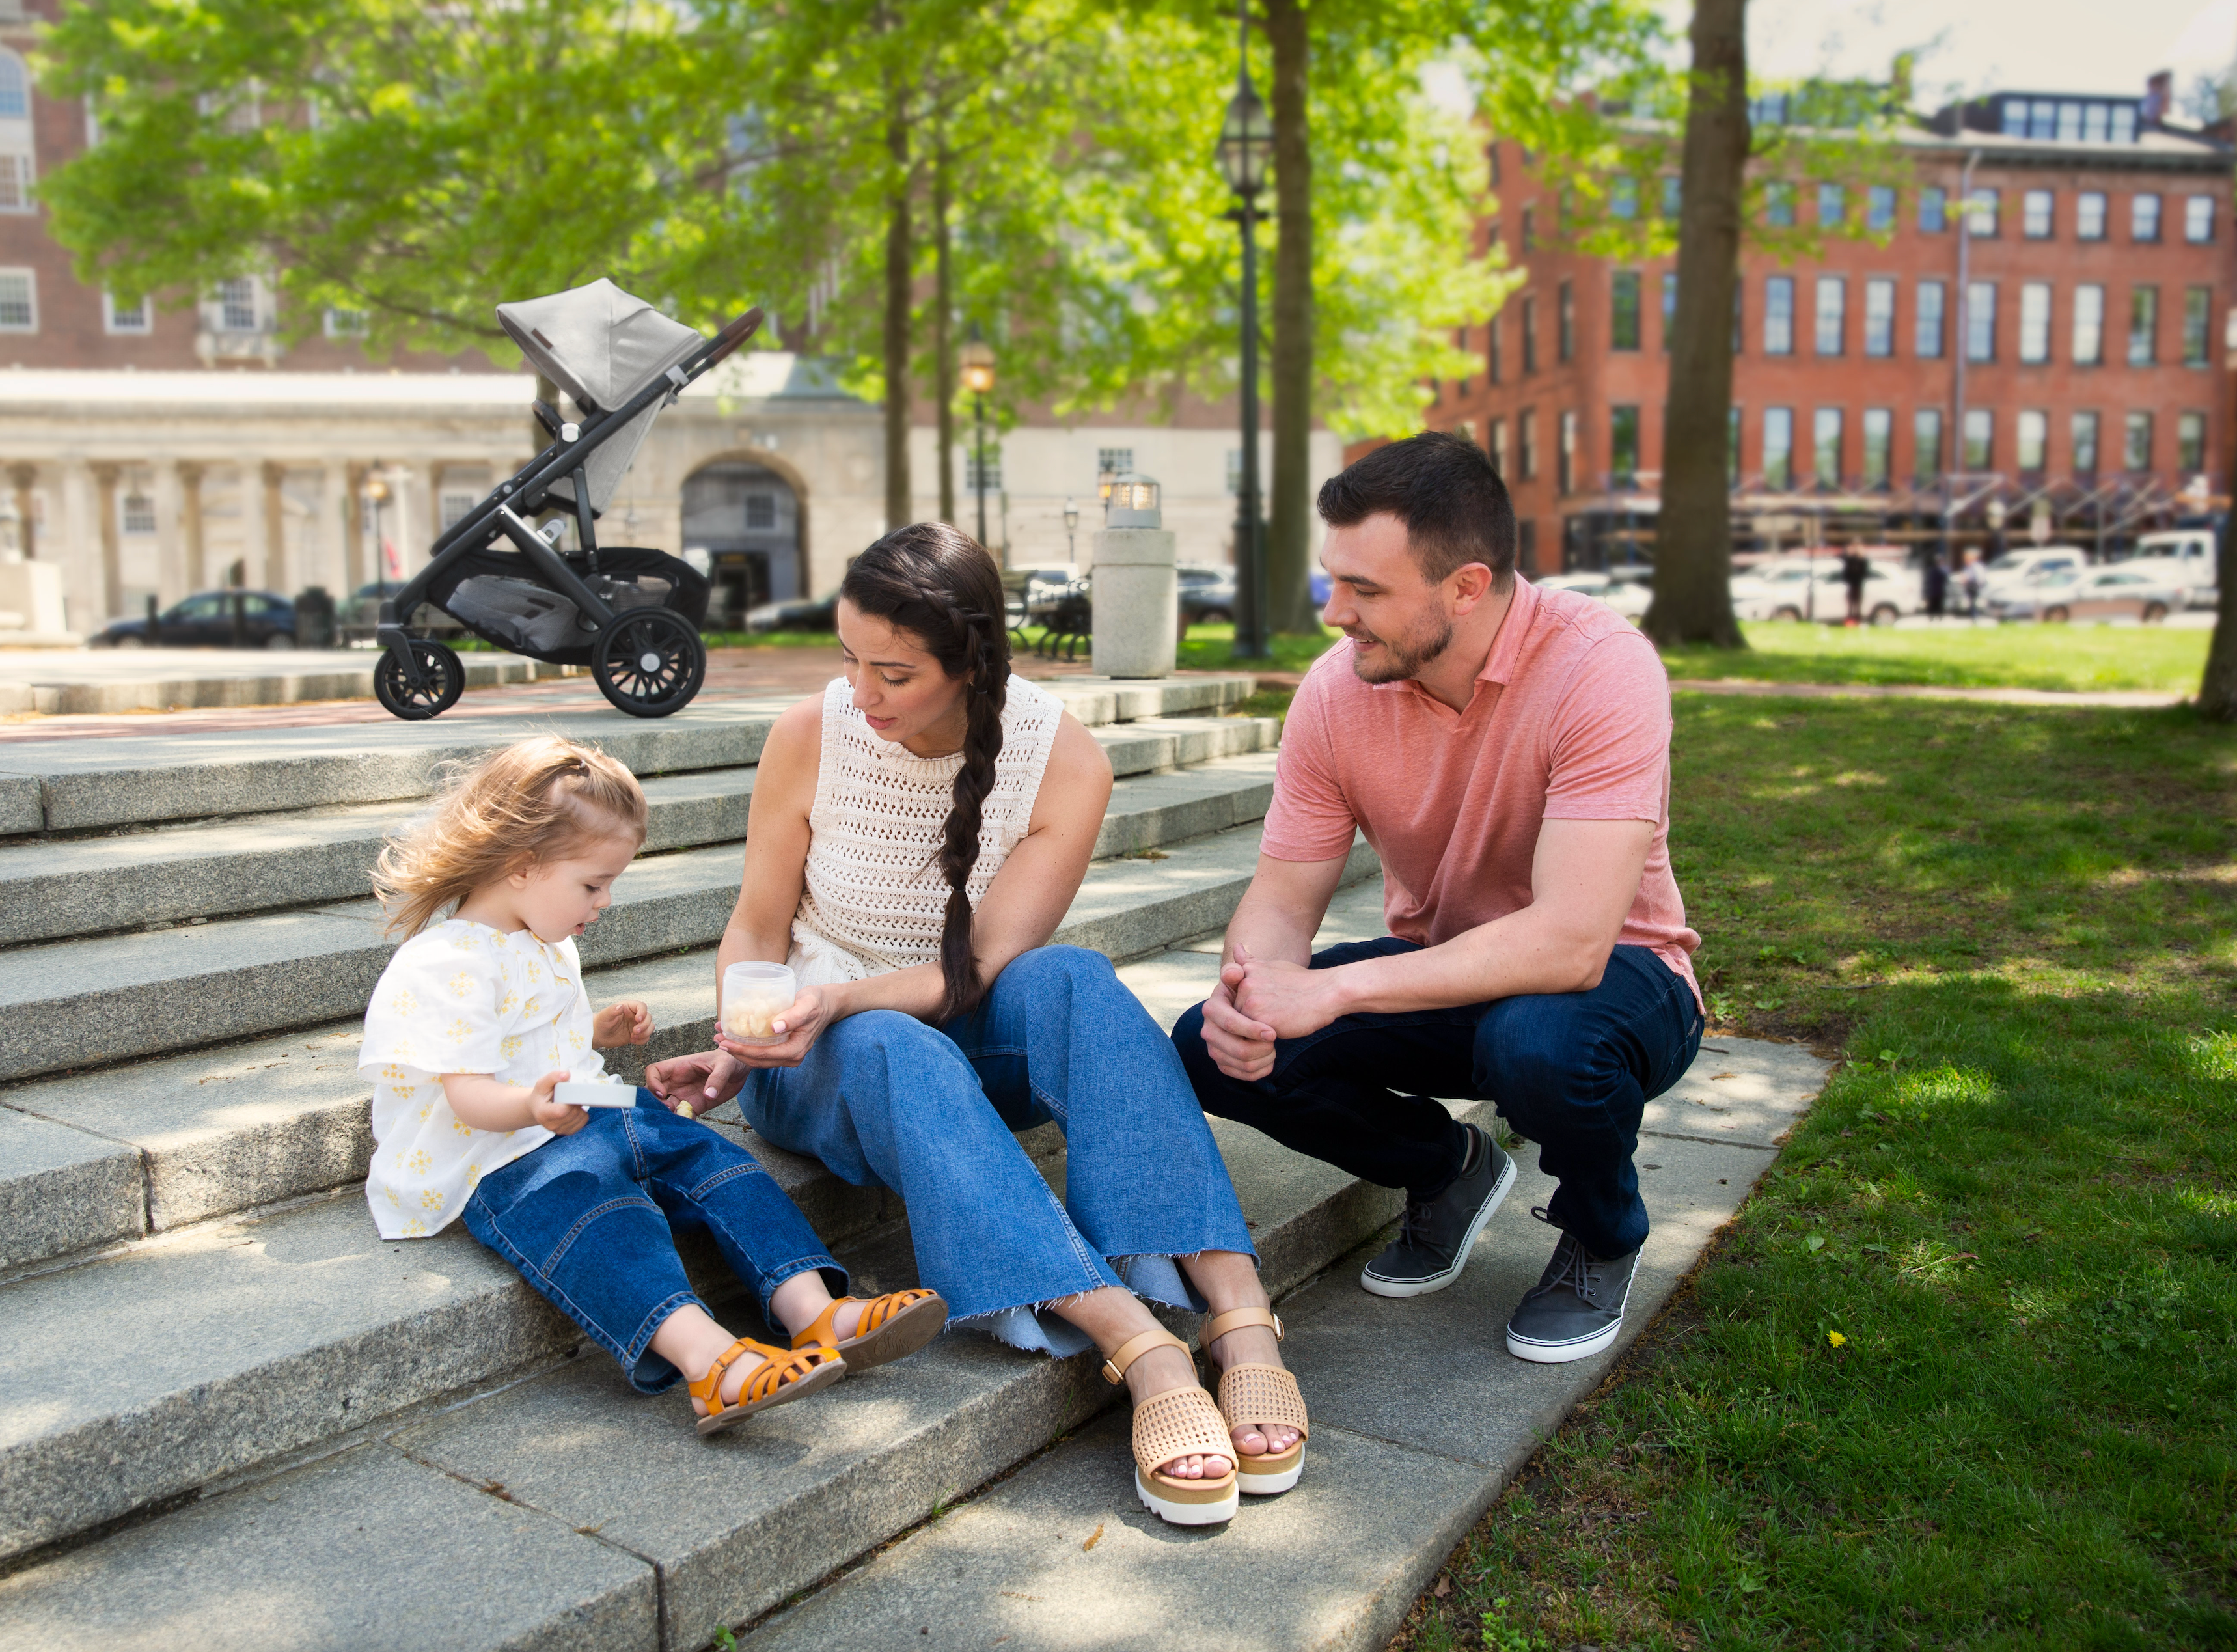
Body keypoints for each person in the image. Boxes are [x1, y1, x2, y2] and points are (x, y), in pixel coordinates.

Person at [645, 523, 1306, 1528]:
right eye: (850, 660)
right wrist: (748, 1036)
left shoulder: (1063, 762)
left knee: (1075, 977)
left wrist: (847, 994)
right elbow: (757, 920)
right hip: (819, 1053)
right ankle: (1138, 1339)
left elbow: (983, 970)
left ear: (971, 663)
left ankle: (1242, 1317)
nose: (862, 695)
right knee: (885, 1039)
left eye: (895, 673)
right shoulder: (810, 734)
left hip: (944, 1018)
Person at [1172, 431, 1703, 1367]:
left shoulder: (1600, 666)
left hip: (1622, 984)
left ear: (1466, 585)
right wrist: (1251, 985)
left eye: (1365, 591)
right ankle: (1448, 1168)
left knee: (1536, 1040)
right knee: (1216, 1049)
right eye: (1333, 580)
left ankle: (1603, 1229)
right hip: (1451, 974)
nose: (1336, 614)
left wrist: (1334, 991)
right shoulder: (1337, 694)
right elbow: (1283, 896)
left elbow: (1574, 944)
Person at [362, 735, 944, 1435]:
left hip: (591, 1107)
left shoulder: (544, 938)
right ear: (521, 867)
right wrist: (531, 1107)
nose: (604, 901)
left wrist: (596, 1031)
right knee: (602, 1212)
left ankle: (815, 1309)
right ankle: (712, 1363)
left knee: (714, 1159)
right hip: (500, 1153)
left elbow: (533, 1033)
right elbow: (469, 1097)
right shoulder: (441, 962)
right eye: (592, 884)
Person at [1840, 541, 1872, 626]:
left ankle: (1857, 621)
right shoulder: (1851, 559)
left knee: (1857, 605)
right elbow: (1844, 560)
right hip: (1852, 585)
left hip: (1859, 585)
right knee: (1851, 604)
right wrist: (1848, 552)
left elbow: (1866, 571)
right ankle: (1851, 621)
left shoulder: (1862, 560)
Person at [1922, 549, 1949, 621]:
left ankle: (1937, 617)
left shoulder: (1940, 570)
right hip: (1935, 591)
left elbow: (1946, 579)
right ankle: (1933, 617)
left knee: (1938, 605)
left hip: (1938, 591)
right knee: (1934, 605)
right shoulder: (1935, 570)